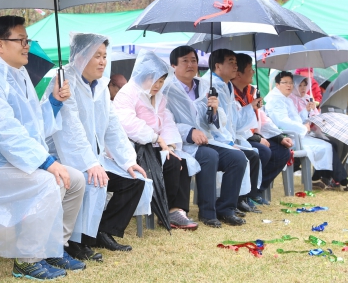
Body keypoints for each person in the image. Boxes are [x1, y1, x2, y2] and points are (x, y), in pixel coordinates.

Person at [0, 16, 86, 280]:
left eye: (26, 39)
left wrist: (53, 101)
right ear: (0, 45)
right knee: (49, 181)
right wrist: (47, 162)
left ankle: (53, 246)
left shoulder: (16, 73)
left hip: (13, 159)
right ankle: (28, 259)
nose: (26, 45)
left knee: (75, 180)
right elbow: (5, 131)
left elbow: (32, 123)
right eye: (20, 40)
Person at [44, 32, 148, 258]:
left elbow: (112, 126)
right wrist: (89, 162)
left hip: (91, 157)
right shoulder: (64, 82)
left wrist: (128, 160)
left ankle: (102, 231)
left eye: (104, 55)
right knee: (92, 181)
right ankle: (75, 241)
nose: (103, 61)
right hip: (64, 156)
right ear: (81, 57)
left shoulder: (100, 85)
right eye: (96, 56)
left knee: (135, 181)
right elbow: (70, 130)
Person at [113, 50, 199, 230]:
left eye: (161, 81)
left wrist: (170, 143)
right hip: (133, 148)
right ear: (144, 76)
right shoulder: (128, 93)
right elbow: (127, 123)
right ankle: (168, 210)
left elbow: (167, 122)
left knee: (180, 159)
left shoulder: (159, 98)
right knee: (171, 163)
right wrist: (156, 138)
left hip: (154, 145)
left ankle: (177, 209)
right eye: (154, 80)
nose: (158, 85)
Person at [164, 46, 247, 227]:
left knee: (238, 158)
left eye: (193, 60)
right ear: (173, 65)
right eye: (185, 60)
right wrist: (189, 132)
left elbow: (217, 122)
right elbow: (164, 120)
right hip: (181, 143)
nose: (191, 64)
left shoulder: (204, 86)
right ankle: (208, 213)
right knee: (209, 156)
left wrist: (215, 110)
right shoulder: (166, 89)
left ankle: (226, 208)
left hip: (208, 139)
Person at [265, 71, 348, 193]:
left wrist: (307, 114)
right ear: (277, 85)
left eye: (291, 83)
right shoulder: (276, 99)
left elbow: (296, 118)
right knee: (328, 146)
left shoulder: (286, 98)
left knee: (332, 144)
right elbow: (282, 121)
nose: (289, 85)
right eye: (285, 82)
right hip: (288, 138)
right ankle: (343, 181)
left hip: (298, 134)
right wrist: (303, 127)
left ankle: (327, 178)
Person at [198, 49, 264, 214]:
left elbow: (233, 119)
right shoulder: (209, 84)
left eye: (236, 63)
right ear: (218, 65)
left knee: (253, 153)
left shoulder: (226, 85)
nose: (235, 66)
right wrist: (227, 142)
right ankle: (228, 204)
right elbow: (210, 122)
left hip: (227, 137)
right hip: (211, 138)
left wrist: (252, 107)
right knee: (244, 156)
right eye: (231, 62)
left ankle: (237, 200)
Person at [231, 53, 291, 204]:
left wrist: (280, 137)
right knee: (262, 151)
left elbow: (262, 119)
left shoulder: (251, 91)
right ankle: (245, 195)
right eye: (250, 69)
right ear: (238, 73)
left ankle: (257, 190)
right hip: (237, 138)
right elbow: (234, 125)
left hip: (252, 136)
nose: (253, 72)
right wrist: (258, 138)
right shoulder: (229, 93)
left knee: (282, 151)